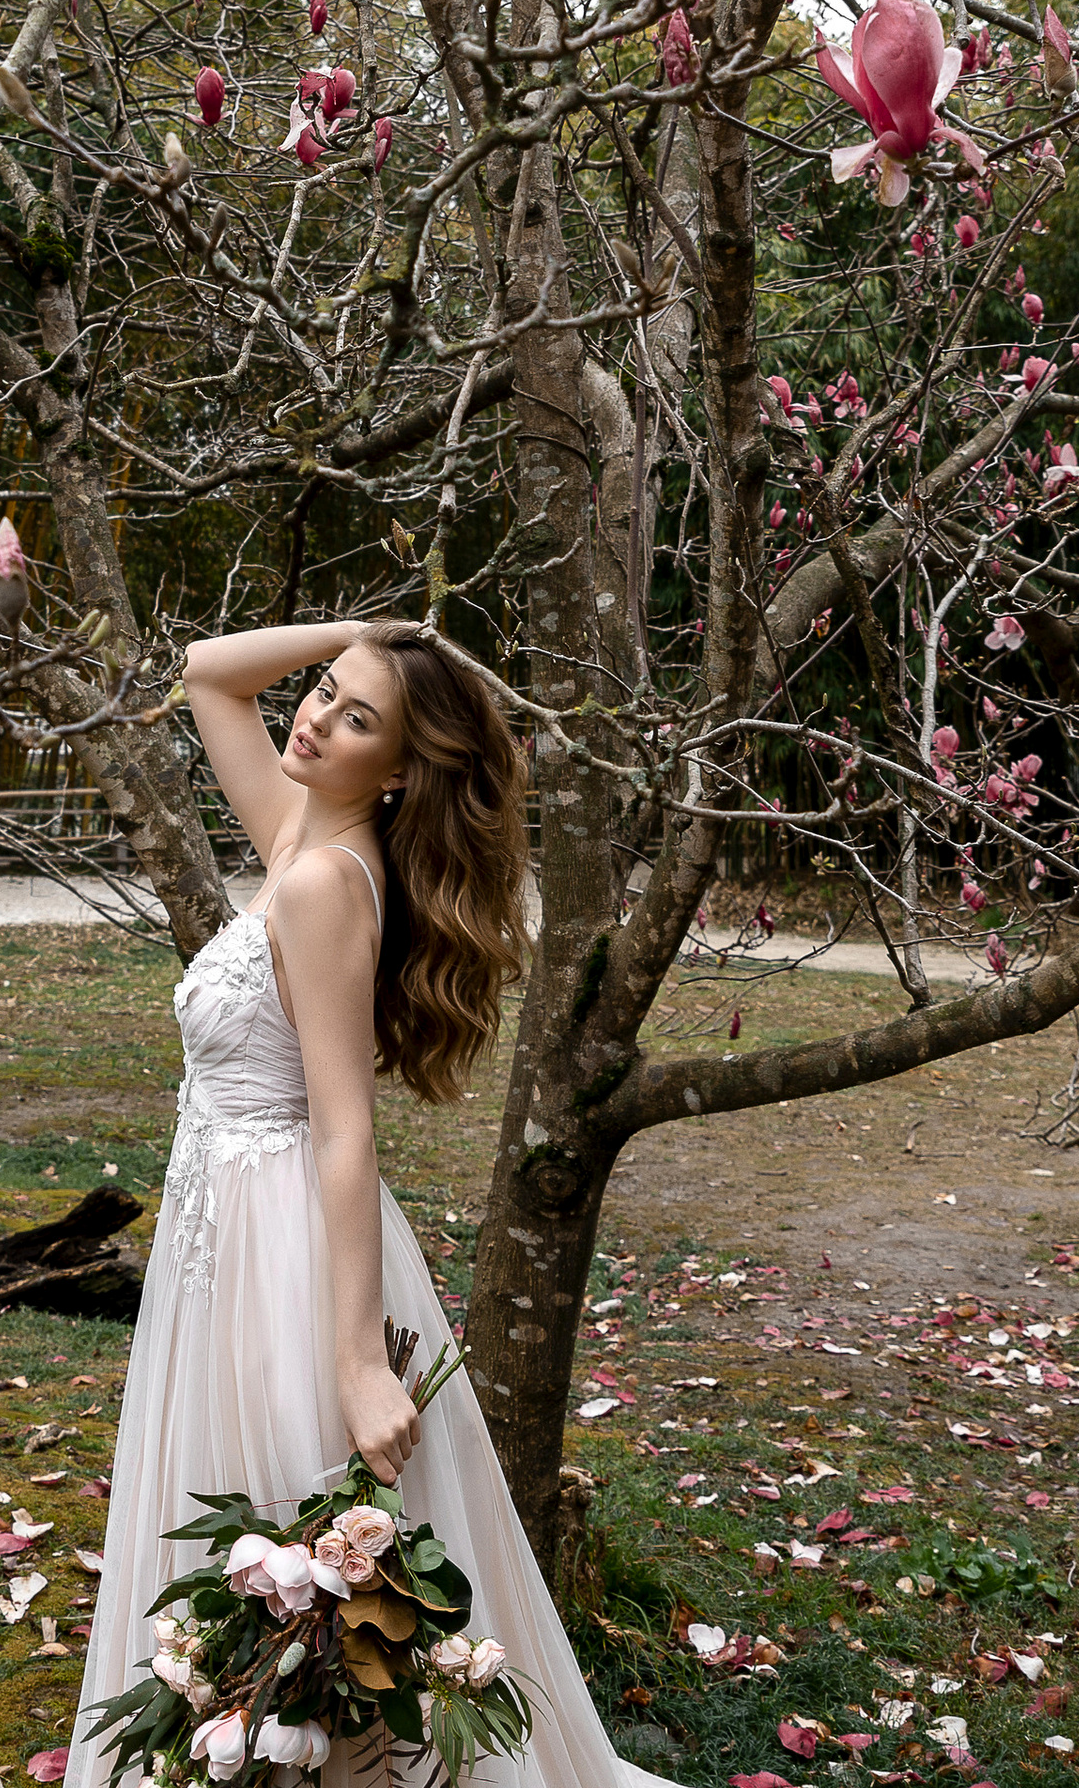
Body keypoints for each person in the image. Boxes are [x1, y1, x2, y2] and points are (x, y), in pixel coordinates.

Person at [65, 618, 679, 1787]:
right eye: (322, 693)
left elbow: (345, 1129)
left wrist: (356, 1361)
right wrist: (369, 638)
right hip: (223, 1233)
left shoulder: (319, 881)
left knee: (295, 1527)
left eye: (356, 719)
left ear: (397, 769)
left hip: (282, 1243)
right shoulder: (304, 829)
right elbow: (208, 673)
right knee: (253, 1519)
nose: (312, 718)